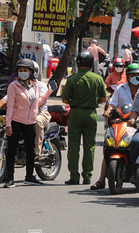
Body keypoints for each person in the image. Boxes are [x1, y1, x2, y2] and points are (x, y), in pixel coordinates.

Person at [90, 63, 139, 190]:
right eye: (133, 75)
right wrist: (108, 111)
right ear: (128, 76)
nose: (135, 77)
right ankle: (101, 180)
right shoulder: (120, 89)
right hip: (121, 123)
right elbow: (112, 104)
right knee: (110, 146)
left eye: (138, 75)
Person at [3, 59, 53, 188]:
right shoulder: (13, 86)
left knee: (31, 150)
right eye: (20, 70)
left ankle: (29, 176)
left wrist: (48, 92)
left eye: (25, 70)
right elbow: (9, 106)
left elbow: (37, 102)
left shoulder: (35, 86)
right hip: (16, 121)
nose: (22, 72)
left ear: (31, 72)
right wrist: (8, 124)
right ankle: (10, 178)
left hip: (30, 122)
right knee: (11, 150)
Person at [61, 50, 107, 185]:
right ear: (91, 64)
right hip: (91, 114)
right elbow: (103, 98)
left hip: (75, 114)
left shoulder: (72, 79)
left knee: (73, 146)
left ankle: (74, 177)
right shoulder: (98, 79)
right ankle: (87, 176)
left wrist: (76, 102)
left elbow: (64, 100)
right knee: (89, 146)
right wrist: (92, 102)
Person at [32, 62, 55, 160]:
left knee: (37, 121)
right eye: (21, 70)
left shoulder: (40, 85)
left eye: (27, 70)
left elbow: (39, 103)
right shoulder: (17, 85)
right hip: (24, 113)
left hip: (41, 113)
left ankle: (37, 151)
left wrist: (49, 92)